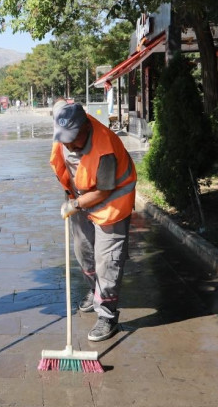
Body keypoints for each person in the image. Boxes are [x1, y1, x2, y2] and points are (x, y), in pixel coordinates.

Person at [49, 100, 137, 341]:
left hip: (111, 201)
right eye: (64, 138)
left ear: (86, 127)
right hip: (81, 197)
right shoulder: (64, 132)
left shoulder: (104, 147)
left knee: (106, 260)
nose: (68, 143)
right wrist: (72, 198)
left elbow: (104, 191)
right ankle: (93, 290)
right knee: (83, 251)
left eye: (73, 138)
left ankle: (107, 315)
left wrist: (76, 204)